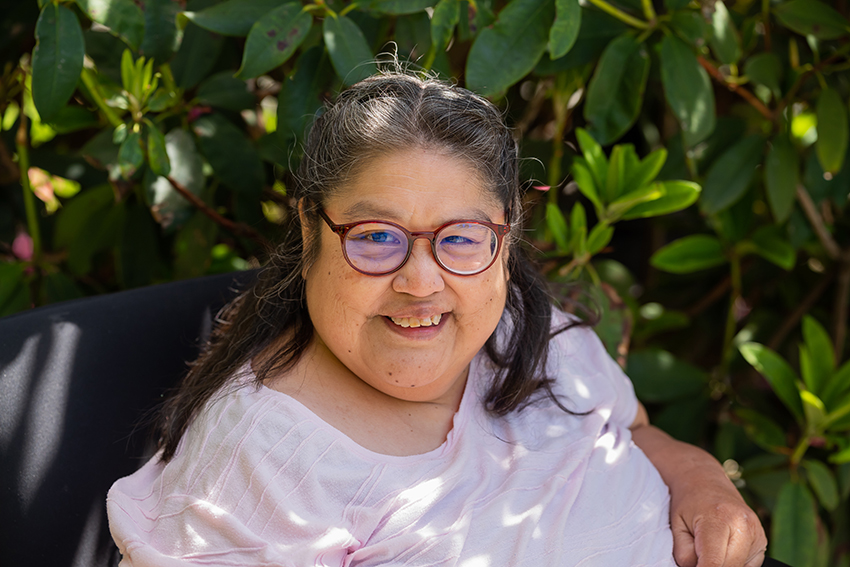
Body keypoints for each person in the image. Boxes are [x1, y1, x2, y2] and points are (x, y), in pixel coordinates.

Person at [107, 71, 768, 567]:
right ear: (309, 230)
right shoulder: (259, 459)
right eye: (375, 236)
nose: (421, 281)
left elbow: (631, 430)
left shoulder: (525, 332)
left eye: (460, 238)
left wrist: (698, 477)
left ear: (504, 238)